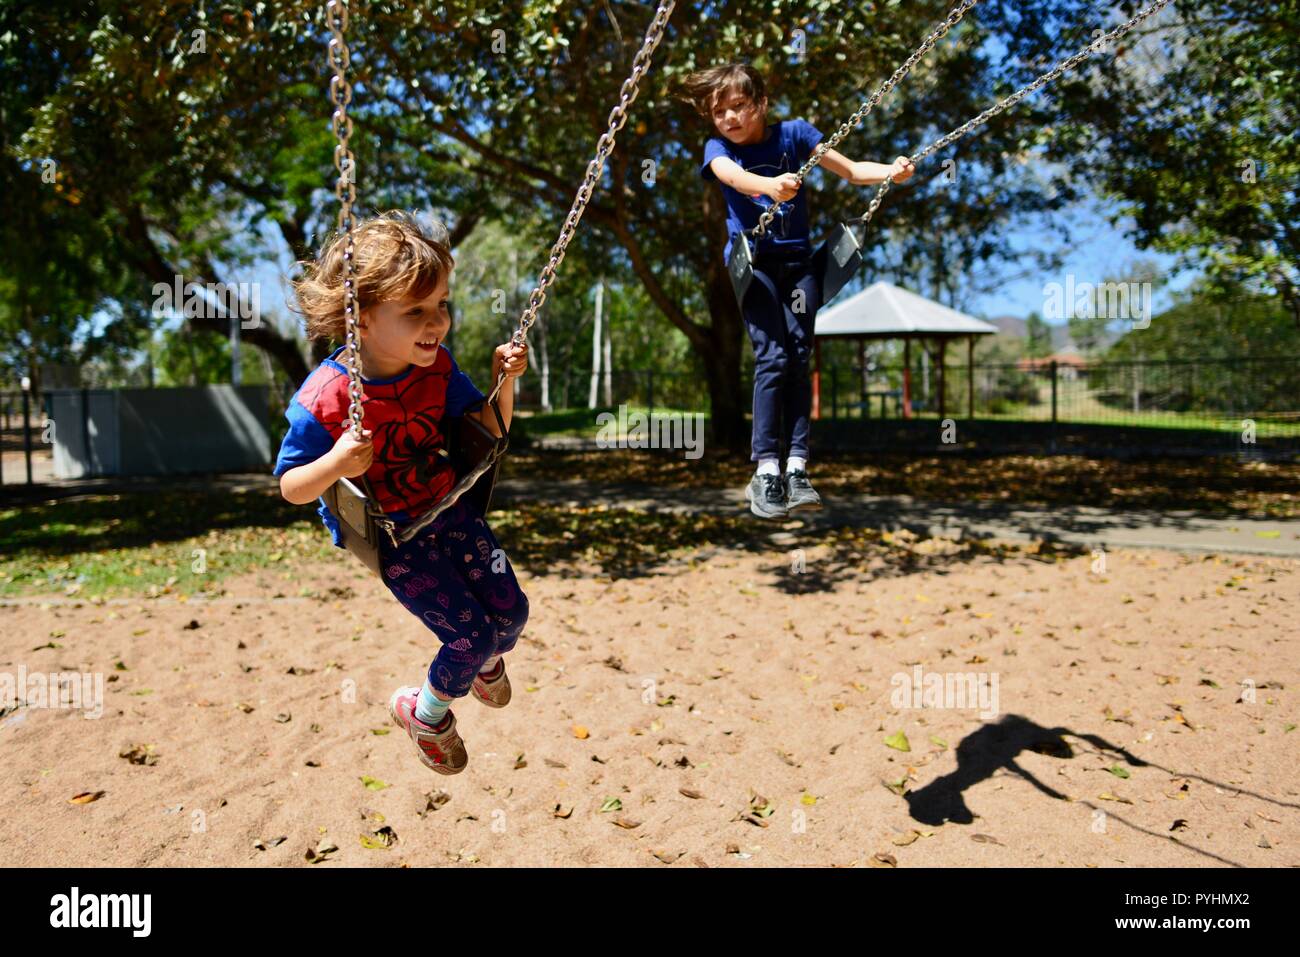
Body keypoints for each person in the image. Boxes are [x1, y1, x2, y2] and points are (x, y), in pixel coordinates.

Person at [273, 211, 530, 775]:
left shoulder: (436, 368)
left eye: (440, 305)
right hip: (395, 538)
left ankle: (487, 661)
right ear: (359, 319)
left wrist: (505, 379)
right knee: (469, 636)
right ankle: (426, 713)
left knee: (511, 618)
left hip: (449, 511)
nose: (436, 321)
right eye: (415, 311)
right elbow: (292, 487)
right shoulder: (326, 397)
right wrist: (336, 461)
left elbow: (489, 430)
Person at [680, 63, 915, 519]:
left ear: (761, 103)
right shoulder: (718, 148)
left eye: (739, 106)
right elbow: (732, 177)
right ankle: (765, 469)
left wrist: (892, 170)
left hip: (797, 264)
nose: (729, 118)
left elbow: (848, 170)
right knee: (773, 356)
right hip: (754, 265)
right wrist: (770, 186)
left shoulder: (796, 134)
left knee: (801, 355)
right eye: (719, 112)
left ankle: (798, 466)